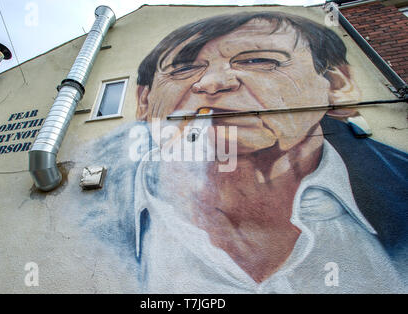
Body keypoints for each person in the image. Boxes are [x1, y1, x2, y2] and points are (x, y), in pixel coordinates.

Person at [91, 11, 407, 293]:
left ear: (337, 85)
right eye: (184, 68)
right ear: (144, 101)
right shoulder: (87, 213)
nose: (212, 83)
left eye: (258, 60)